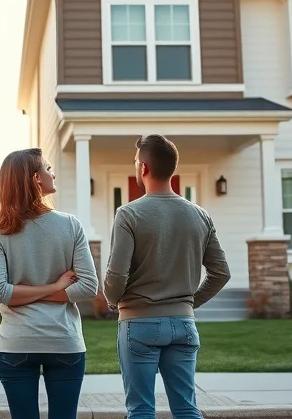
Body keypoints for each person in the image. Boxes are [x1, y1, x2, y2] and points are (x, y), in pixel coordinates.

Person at [104, 134, 231, 419]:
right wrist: (186, 303)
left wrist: (113, 301)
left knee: (140, 410)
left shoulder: (128, 214)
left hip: (138, 324)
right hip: (184, 325)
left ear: (144, 168)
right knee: (187, 408)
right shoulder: (200, 215)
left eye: (136, 162)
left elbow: (116, 275)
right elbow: (221, 273)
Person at [0, 148, 100, 419]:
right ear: (37, 178)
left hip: (16, 344)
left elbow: (3, 292)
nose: (53, 173)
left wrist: (23, 293)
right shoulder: (70, 225)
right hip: (63, 341)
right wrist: (55, 286)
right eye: (48, 169)